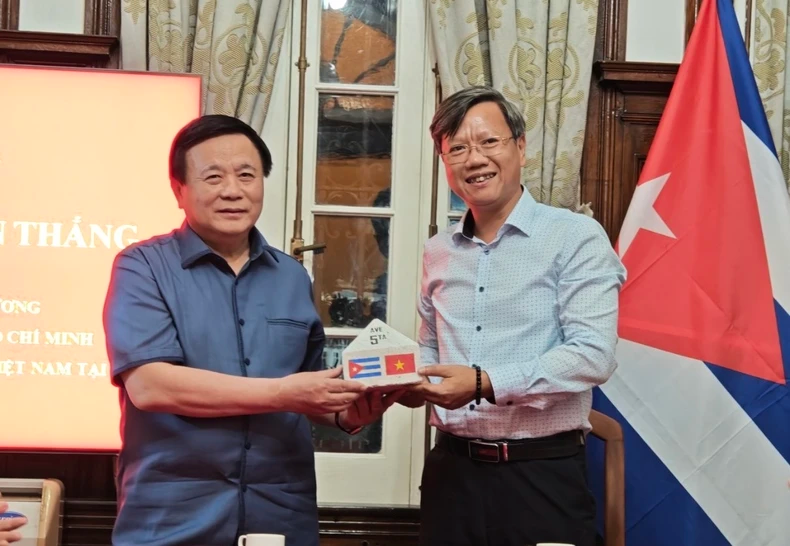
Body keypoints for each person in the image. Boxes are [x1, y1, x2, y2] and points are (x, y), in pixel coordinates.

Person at [103, 114, 402, 546]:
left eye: (247, 175)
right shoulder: (142, 267)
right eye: (213, 177)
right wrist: (282, 393)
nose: (233, 190)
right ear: (178, 190)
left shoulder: (291, 277)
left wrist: (347, 414)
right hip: (173, 520)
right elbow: (151, 386)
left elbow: (307, 390)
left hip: (279, 516)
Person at [403, 86, 626, 546]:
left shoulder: (575, 237)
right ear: (446, 165)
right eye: (457, 148)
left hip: (541, 477)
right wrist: (406, 384)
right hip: (451, 475)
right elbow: (429, 347)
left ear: (520, 147)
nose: (474, 159)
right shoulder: (437, 251)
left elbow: (593, 356)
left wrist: (484, 382)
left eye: (489, 142)